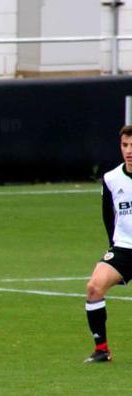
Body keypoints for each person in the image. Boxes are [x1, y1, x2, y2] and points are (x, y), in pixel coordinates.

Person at [84, 124, 132, 363]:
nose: (129, 150)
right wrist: (113, 246)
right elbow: (109, 217)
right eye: (125, 145)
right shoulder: (112, 179)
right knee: (94, 287)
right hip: (124, 249)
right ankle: (101, 349)